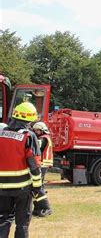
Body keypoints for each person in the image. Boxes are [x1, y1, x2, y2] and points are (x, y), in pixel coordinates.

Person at [0, 102, 43, 238]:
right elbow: (34, 166)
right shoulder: (28, 136)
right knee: (22, 223)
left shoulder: (0, 134)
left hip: (1, 188)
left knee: (3, 220)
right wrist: (37, 187)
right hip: (22, 189)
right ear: (30, 120)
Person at [31, 121, 54, 217]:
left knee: (38, 186)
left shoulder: (43, 139)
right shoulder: (43, 138)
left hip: (42, 164)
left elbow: (35, 147)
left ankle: (45, 207)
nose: (36, 132)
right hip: (42, 164)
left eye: (38, 130)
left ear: (42, 130)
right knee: (37, 186)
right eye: (35, 130)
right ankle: (38, 208)